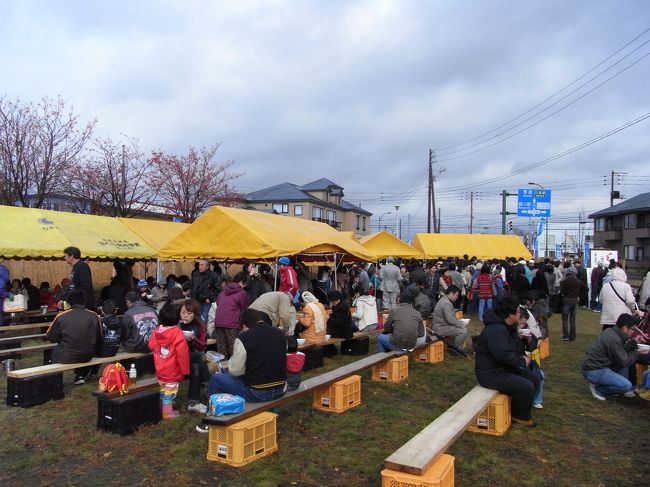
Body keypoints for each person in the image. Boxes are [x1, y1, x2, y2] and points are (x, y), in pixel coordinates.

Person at [197, 308, 287, 433]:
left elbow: (235, 371)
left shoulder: (244, 338)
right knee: (226, 375)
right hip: (280, 389)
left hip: (257, 392)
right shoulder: (279, 334)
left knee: (217, 378)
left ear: (244, 325)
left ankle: (212, 419)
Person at [474, 293, 540, 427]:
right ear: (510, 314)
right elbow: (502, 355)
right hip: (491, 373)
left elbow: (513, 349)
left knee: (534, 378)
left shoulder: (507, 326)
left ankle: (518, 409)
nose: (519, 313)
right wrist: (522, 361)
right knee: (526, 386)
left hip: (503, 368)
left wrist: (525, 342)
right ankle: (519, 416)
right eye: (517, 311)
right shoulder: (496, 329)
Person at [582, 313, 650, 401]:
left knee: (623, 364)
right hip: (594, 370)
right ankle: (599, 390)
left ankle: (611, 385)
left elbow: (620, 351)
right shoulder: (614, 339)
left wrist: (633, 343)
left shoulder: (611, 331)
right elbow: (624, 360)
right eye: (633, 329)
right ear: (625, 328)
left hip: (595, 366)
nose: (634, 332)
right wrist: (636, 352)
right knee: (626, 386)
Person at [46, 290, 102, 385]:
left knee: (54, 351)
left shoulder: (61, 316)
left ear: (68, 302)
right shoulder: (94, 316)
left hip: (66, 356)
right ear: (84, 301)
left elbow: (51, 337)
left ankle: (55, 381)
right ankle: (81, 375)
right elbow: (99, 336)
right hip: (87, 355)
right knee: (83, 344)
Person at [148, 301, 190, 419]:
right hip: (172, 369)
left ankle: (164, 408)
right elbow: (182, 355)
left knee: (163, 388)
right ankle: (167, 412)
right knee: (170, 391)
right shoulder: (177, 333)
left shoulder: (157, 331)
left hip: (160, 368)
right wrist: (185, 370)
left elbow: (151, 345)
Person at [178, 298, 211, 414]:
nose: (185, 316)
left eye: (189, 313)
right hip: (177, 359)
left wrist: (193, 340)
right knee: (199, 357)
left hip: (192, 357)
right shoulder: (177, 325)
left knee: (196, 366)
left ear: (195, 314)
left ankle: (193, 402)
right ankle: (208, 385)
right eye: (183, 313)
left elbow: (203, 346)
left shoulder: (200, 326)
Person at [213, 272, 249, 358]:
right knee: (234, 349)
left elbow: (218, 304)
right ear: (241, 282)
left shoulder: (222, 292)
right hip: (232, 323)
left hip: (218, 322)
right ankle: (233, 370)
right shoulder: (242, 293)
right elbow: (244, 309)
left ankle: (222, 369)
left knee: (222, 350)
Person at [599, 267, 638, 331]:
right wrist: (633, 309)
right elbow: (630, 301)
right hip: (621, 317)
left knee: (607, 334)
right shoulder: (626, 286)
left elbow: (601, 300)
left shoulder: (605, 285)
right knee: (620, 336)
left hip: (608, 316)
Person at [431, 285, 467, 351]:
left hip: (441, 325)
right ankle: (455, 349)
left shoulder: (444, 300)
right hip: (440, 328)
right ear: (450, 293)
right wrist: (461, 324)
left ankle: (455, 348)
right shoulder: (446, 303)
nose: (457, 297)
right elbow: (450, 319)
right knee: (462, 331)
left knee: (461, 328)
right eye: (456, 295)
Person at [60, 246, 95, 310]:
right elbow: (71, 285)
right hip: (75, 304)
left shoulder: (82, 266)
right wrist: (63, 299)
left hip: (82, 305)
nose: (64, 258)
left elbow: (85, 286)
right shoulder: (75, 267)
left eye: (66, 256)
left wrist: (78, 301)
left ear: (72, 256)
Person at [559, 268, 586, 341]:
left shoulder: (564, 281)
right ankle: (573, 336)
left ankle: (566, 336)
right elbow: (586, 288)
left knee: (565, 319)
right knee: (572, 320)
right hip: (575, 300)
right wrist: (579, 294)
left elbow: (561, 291)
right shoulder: (578, 281)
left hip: (566, 300)